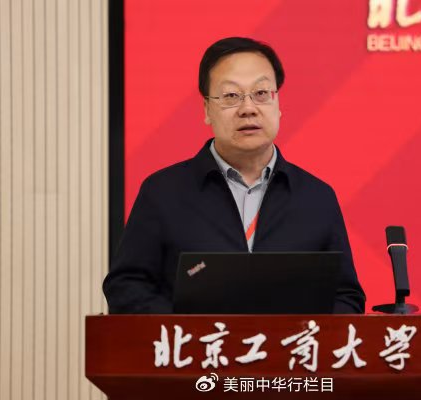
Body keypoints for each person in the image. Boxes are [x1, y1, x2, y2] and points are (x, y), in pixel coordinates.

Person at [103, 37, 365, 314]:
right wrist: (191, 329)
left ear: (278, 104)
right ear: (207, 109)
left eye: (261, 93)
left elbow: (346, 298)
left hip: (291, 344)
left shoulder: (316, 197)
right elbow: (125, 288)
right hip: (197, 342)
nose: (248, 108)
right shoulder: (163, 192)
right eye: (231, 96)